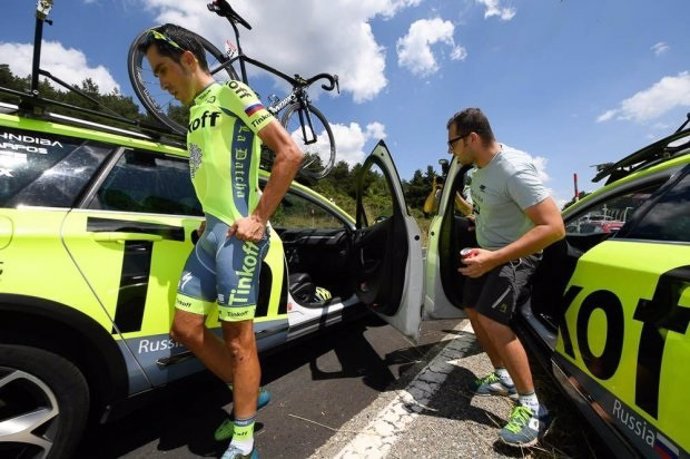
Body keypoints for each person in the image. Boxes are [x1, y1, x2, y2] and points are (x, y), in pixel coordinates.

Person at [139, 24, 304, 459]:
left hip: (239, 238)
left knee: (238, 341)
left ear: (188, 59)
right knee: (185, 329)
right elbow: (213, 174)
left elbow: (290, 153)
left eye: (161, 70)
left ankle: (244, 434)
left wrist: (258, 218)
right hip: (210, 234)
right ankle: (245, 388)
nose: (161, 83)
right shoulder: (194, 110)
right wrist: (203, 220)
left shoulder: (231, 90)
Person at [447, 108, 565, 447]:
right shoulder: (478, 172)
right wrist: (477, 224)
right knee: (472, 310)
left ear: (471, 138)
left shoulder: (513, 169)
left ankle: (533, 407)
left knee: (492, 318)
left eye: (452, 142)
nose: (450, 150)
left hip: (516, 254)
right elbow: (488, 207)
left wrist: (495, 258)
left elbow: (553, 227)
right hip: (488, 252)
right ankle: (503, 378)